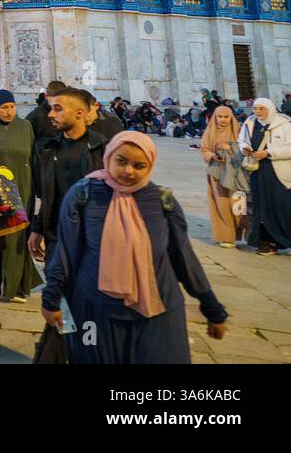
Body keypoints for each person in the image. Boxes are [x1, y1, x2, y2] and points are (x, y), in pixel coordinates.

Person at [41, 131, 228, 362]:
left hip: (157, 311)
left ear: (150, 165)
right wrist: (51, 299)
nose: (129, 171)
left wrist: (212, 308)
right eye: (121, 161)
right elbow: (66, 252)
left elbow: (183, 257)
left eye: (139, 165)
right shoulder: (84, 193)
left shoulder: (162, 199)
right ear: (109, 157)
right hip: (94, 311)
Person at [0, 89, 40, 301]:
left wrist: (40, 189)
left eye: (12, 107)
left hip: (22, 187)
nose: (9, 112)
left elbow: (33, 156)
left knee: (17, 236)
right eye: (4, 107)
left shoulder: (25, 126)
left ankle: (16, 286)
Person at [29, 88, 107, 262]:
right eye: (51, 108)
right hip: (56, 237)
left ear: (79, 113)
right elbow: (50, 196)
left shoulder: (102, 149)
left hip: (92, 239)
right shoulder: (49, 149)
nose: (50, 114)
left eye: (58, 108)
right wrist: (38, 228)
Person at [240, 98, 291, 255]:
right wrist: (246, 148)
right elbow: (242, 140)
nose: (258, 112)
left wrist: (269, 153)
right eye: (255, 109)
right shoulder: (249, 122)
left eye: (262, 109)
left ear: (270, 108)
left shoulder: (284, 125)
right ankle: (267, 243)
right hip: (257, 171)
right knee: (261, 208)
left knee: (282, 207)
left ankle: (286, 240)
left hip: (278, 172)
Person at [199, 105, 250, 247]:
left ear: (231, 117)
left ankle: (240, 232)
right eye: (219, 117)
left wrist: (229, 147)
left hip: (237, 174)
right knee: (222, 204)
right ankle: (227, 236)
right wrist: (211, 155)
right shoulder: (210, 131)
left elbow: (246, 149)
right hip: (216, 174)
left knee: (238, 204)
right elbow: (204, 149)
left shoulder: (239, 131)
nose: (223, 120)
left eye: (226, 117)